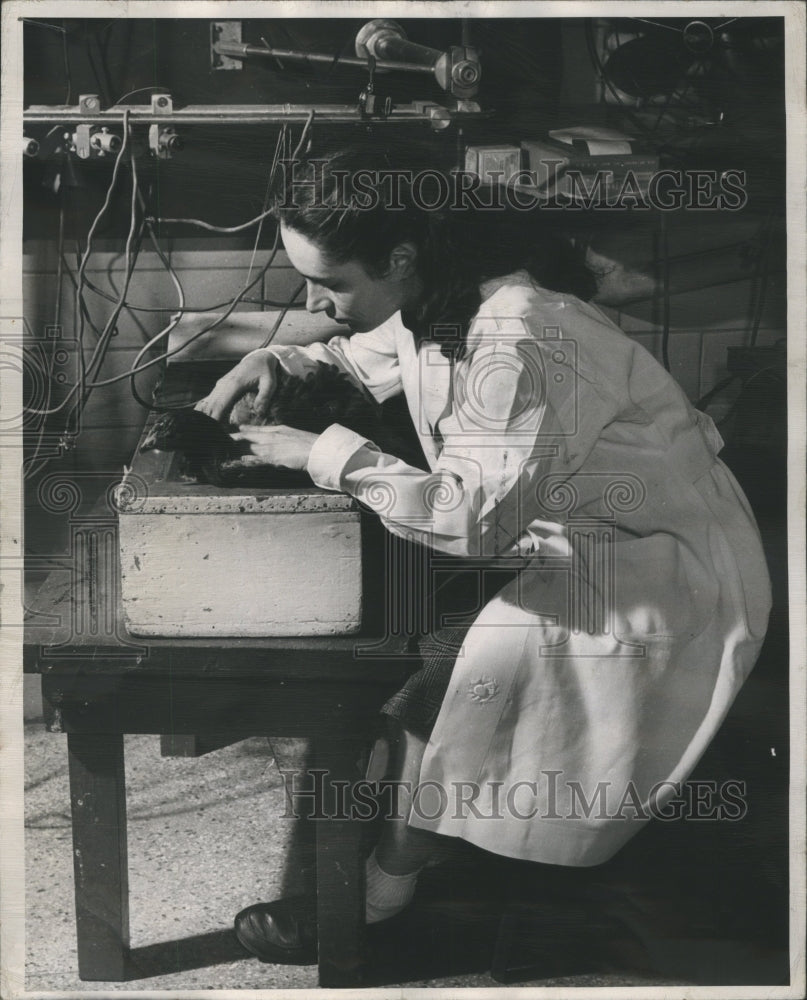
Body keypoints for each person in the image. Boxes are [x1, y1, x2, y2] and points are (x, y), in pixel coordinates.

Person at [196, 147, 772, 962]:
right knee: (414, 652)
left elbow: (474, 526)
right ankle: (400, 847)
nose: (314, 304)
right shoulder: (438, 297)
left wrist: (320, 451)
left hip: (655, 568)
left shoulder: (521, 333)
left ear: (398, 258)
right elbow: (371, 354)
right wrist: (278, 357)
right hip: (573, 539)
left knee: (449, 676)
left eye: (330, 285)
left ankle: (382, 896)